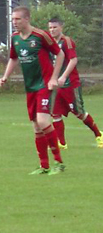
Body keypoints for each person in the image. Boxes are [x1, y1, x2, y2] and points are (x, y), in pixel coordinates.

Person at [0, 7, 66, 175]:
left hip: (44, 85)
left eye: (18, 19)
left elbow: (61, 54)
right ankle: (44, 166)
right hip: (30, 87)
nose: (14, 22)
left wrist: (54, 78)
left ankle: (58, 162)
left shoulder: (40, 35)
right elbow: (13, 58)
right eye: (13, 19)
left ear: (27, 19)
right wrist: (5, 76)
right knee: (36, 127)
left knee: (43, 121)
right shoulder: (15, 38)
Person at [47, 18, 103, 149]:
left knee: (79, 113)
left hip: (70, 84)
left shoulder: (66, 41)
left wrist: (63, 77)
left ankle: (98, 134)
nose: (52, 30)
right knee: (55, 113)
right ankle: (61, 143)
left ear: (61, 27)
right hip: (56, 85)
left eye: (54, 27)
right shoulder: (50, 43)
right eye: (50, 28)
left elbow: (73, 60)